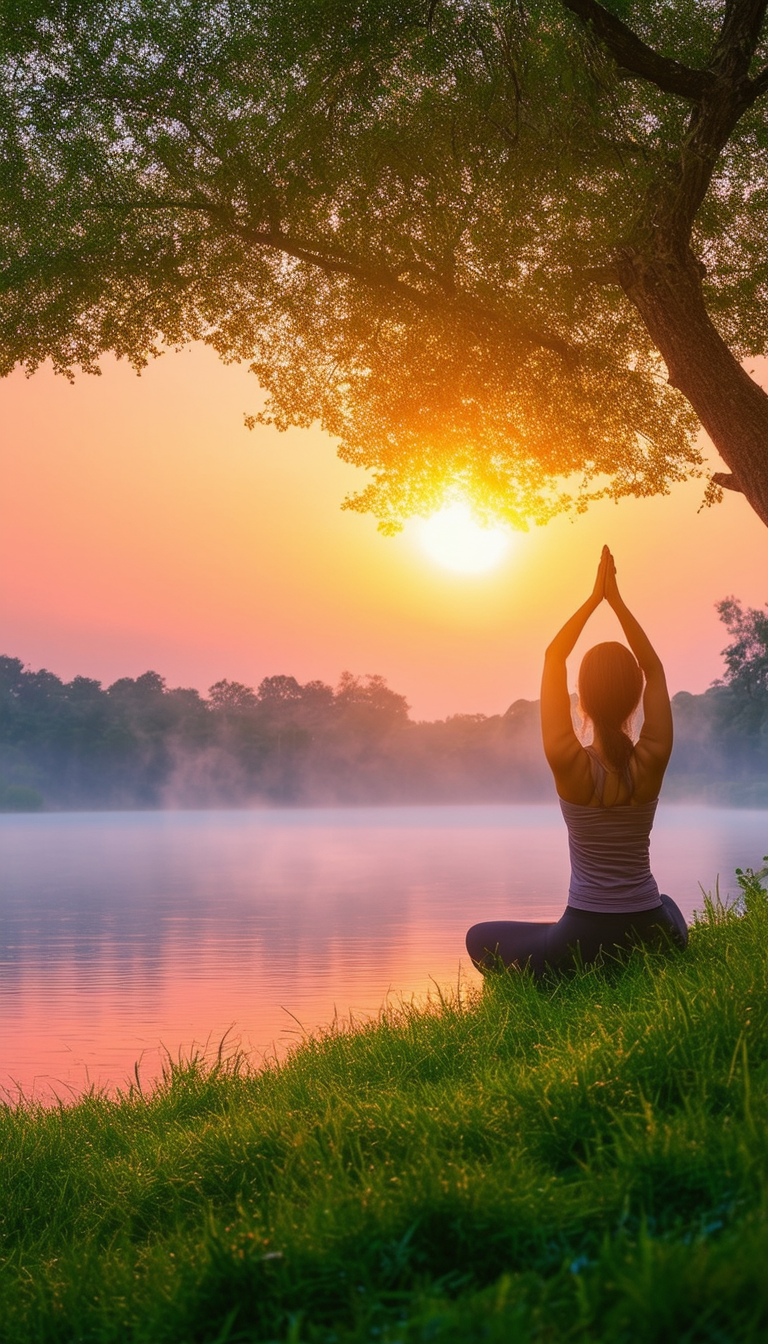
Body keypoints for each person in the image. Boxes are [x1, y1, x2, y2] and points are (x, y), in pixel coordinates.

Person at [466, 546, 688, 977]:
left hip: (582, 939)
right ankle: (640, 954)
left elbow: (554, 657)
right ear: (633, 701)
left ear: (580, 700)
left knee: (480, 935)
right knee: (669, 906)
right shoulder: (652, 758)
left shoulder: (568, 762)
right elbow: (655, 669)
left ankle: (568, 954)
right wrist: (617, 603)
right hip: (651, 933)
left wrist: (594, 599)